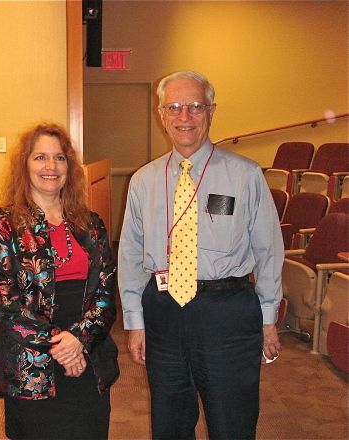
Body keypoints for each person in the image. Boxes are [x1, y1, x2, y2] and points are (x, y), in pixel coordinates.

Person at [118, 71, 284, 440]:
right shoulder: (143, 180)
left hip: (227, 313)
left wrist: (268, 316)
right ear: (161, 115)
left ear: (211, 111)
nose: (184, 117)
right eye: (174, 107)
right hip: (162, 311)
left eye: (195, 106)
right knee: (170, 424)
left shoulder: (245, 175)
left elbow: (268, 249)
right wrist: (135, 321)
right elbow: (129, 254)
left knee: (232, 423)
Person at [0, 123, 119, 440]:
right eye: (40, 157)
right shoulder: (2, 223)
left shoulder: (91, 223)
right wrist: (61, 344)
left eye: (59, 158)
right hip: (33, 363)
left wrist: (79, 341)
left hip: (88, 356)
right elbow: (6, 305)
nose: (51, 167)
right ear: (24, 165)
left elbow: (106, 295)